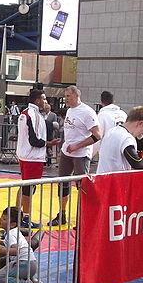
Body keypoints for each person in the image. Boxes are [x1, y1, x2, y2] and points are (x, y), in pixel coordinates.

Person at [51, 85, 100, 226]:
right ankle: (62, 213)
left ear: (77, 95)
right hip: (67, 152)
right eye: (65, 96)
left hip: (81, 154)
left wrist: (78, 146)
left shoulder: (87, 112)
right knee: (63, 183)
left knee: (82, 186)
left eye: (68, 96)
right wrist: (65, 147)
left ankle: (83, 218)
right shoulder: (70, 111)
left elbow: (97, 135)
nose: (66, 99)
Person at [16, 89, 60, 223]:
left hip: (26, 155)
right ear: (37, 100)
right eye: (44, 99)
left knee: (26, 186)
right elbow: (34, 140)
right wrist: (49, 143)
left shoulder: (26, 113)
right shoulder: (32, 114)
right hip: (32, 157)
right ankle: (25, 217)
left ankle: (19, 213)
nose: (46, 102)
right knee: (29, 188)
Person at [97, 106, 143, 175]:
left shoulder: (111, 131)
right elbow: (136, 162)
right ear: (140, 123)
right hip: (115, 181)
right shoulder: (127, 138)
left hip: (101, 177)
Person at [0, 207, 38, 283]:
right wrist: (0, 242)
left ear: (13, 224)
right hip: (32, 264)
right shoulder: (15, 232)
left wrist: (0, 250)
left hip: (24, 265)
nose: (0, 220)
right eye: (1, 217)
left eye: (4, 219)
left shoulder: (11, 234)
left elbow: (16, 251)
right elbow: (13, 244)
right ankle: (30, 278)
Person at [94, 90, 127, 159]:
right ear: (113, 101)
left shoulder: (102, 115)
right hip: (124, 148)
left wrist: (91, 153)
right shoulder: (123, 114)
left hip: (107, 150)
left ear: (101, 102)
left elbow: (98, 135)